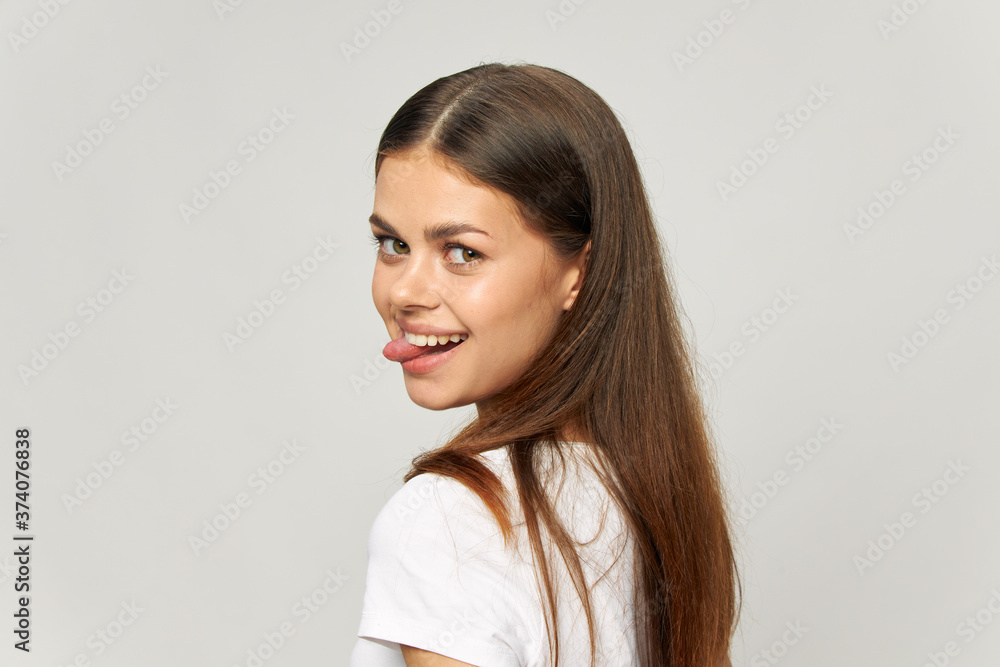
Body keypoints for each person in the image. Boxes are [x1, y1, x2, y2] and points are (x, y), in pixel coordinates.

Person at [349, 62, 740, 667]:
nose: (405, 292)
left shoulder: (450, 519)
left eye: (462, 252)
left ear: (577, 272)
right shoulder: (650, 494)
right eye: (394, 244)